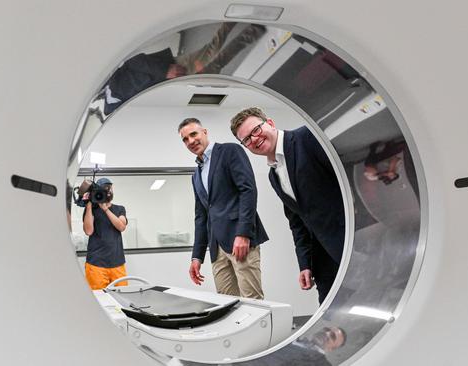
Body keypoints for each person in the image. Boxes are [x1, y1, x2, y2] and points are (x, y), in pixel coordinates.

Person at [230, 107, 345, 304]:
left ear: (271, 123)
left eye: (256, 130)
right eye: (246, 140)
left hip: (351, 244)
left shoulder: (307, 138)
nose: (254, 139)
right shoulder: (273, 175)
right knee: (330, 316)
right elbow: (298, 221)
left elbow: (346, 181)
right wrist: (305, 264)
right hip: (323, 258)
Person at [178, 117, 268, 299]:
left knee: (253, 303)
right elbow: (201, 217)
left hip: (239, 241)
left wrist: (244, 234)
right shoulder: (196, 175)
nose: (191, 141)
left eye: (193, 134)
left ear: (205, 132)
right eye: (185, 139)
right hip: (216, 248)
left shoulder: (229, 151)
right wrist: (197, 256)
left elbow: (248, 190)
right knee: (226, 304)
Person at [102, 22, 265, 115]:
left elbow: (134, 61)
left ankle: (233, 20)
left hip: (173, 68)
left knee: (212, 49)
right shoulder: (118, 108)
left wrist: (165, 71)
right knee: (218, 63)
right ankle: (251, 33)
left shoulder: (113, 87)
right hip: (178, 81)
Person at [81, 177, 129, 290]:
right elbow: (88, 231)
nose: (107, 192)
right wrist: (88, 205)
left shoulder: (119, 209)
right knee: (98, 299)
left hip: (117, 263)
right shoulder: (91, 209)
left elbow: (121, 227)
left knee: (123, 296)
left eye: (109, 188)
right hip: (96, 264)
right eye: (103, 189)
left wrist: (106, 210)